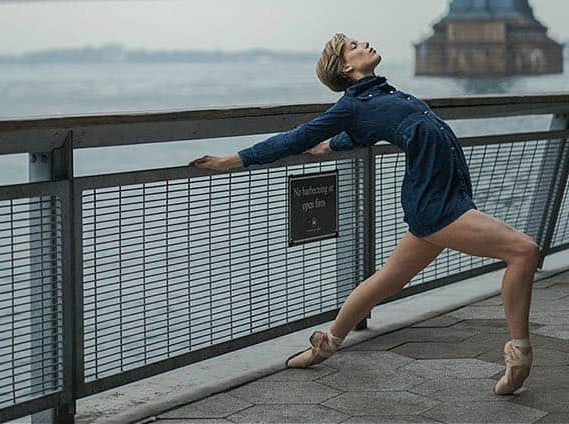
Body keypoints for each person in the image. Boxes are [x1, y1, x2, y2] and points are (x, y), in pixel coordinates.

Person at [189, 33, 540, 395]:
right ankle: (519, 357)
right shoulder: (351, 105)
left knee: (387, 280)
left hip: (444, 195)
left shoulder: (383, 95)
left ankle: (326, 343)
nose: (364, 44)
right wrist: (231, 160)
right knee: (523, 251)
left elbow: (368, 130)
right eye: (354, 46)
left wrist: (332, 145)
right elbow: (295, 138)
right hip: (435, 204)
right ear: (345, 67)